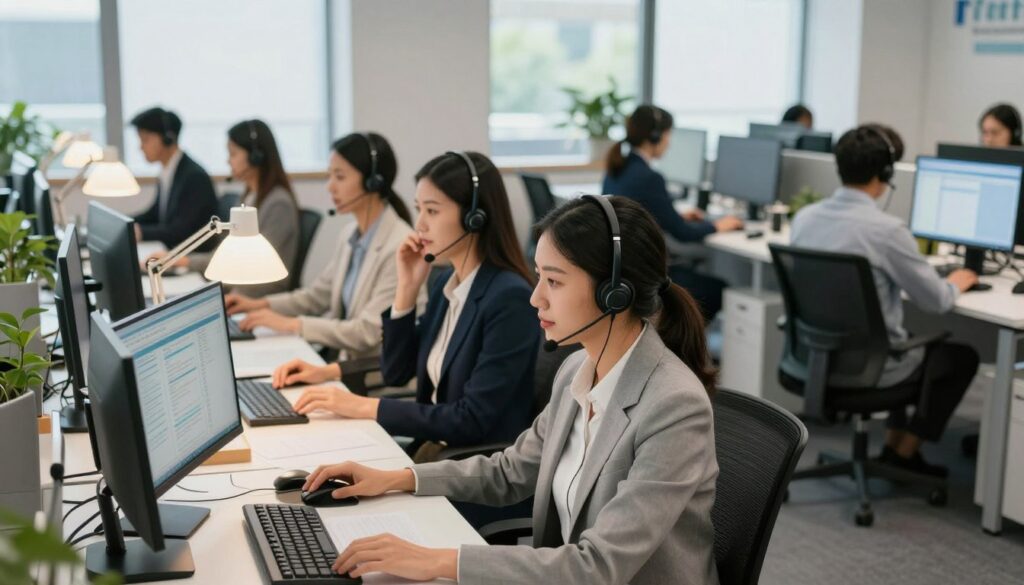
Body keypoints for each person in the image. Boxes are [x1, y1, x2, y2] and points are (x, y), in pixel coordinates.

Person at [298, 195, 719, 584]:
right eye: (539, 277)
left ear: (614, 293)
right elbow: (511, 471)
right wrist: (396, 478)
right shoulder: (578, 368)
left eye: (554, 281)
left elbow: (597, 566)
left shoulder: (673, 406)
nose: (535, 298)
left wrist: (438, 560)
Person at [270, 151, 539, 454]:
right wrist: (406, 290)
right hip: (430, 450)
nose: (419, 224)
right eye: (418, 209)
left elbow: (471, 419)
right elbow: (396, 371)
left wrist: (366, 407)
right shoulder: (445, 285)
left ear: (474, 218)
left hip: (470, 467)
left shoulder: (508, 299)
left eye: (432, 211)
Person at [791, 124, 981, 477]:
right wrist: (956, 281)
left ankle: (895, 445)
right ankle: (905, 450)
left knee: (903, 334)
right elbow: (937, 301)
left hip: (817, 359)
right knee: (961, 356)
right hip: (871, 369)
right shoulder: (886, 231)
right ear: (886, 173)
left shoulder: (804, 218)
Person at [223, 133, 420, 358]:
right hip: (340, 362)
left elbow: (367, 332)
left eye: (340, 177)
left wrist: (292, 324)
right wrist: (257, 305)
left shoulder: (398, 248)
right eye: (329, 176)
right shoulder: (350, 235)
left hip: (369, 376)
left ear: (372, 182)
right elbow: (315, 297)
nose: (330, 187)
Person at [602, 104, 742, 320]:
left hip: (625, 273)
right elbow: (683, 233)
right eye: (668, 135)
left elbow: (643, 211)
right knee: (718, 288)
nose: (669, 142)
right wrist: (717, 225)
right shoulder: (649, 177)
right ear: (656, 136)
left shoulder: (618, 168)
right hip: (646, 279)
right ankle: (682, 347)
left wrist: (674, 214)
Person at [149, 119, 301, 297]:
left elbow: (260, 272)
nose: (228, 161)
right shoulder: (249, 196)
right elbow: (223, 257)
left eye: (233, 154)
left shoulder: (278, 204)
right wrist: (182, 260)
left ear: (256, 156)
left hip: (255, 298)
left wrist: (222, 297)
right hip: (236, 292)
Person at [129, 107, 217, 249]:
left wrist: (141, 232)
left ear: (167, 138)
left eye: (145, 139)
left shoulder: (194, 177)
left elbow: (181, 230)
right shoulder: (167, 171)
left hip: (189, 257)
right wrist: (126, 223)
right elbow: (156, 213)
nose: (141, 147)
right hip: (172, 250)